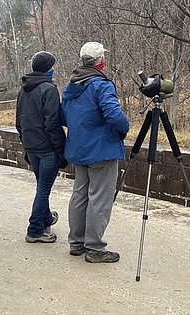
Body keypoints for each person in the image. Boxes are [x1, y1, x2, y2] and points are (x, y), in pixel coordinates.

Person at [61, 42, 129, 263]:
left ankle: (76, 243)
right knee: (99, 199)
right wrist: (124, 128)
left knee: (80, 195)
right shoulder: (101, 85)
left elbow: (64, 116)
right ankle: (95, 248)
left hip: (78, 148)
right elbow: (114, 114)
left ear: (82, 60)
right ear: (101, 61)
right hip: (101, 150)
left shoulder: (70, 85)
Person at [15, 51, 67, 243]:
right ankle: (35, 229)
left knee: (41, 187)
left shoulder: (23, 89)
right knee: (43, 189)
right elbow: (52, 123)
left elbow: (18, 121)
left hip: (31, 147)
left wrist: (26, 142)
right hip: (46, 148)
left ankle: (46, 218)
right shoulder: (48, 89)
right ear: (48, 69)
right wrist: (60, 149)